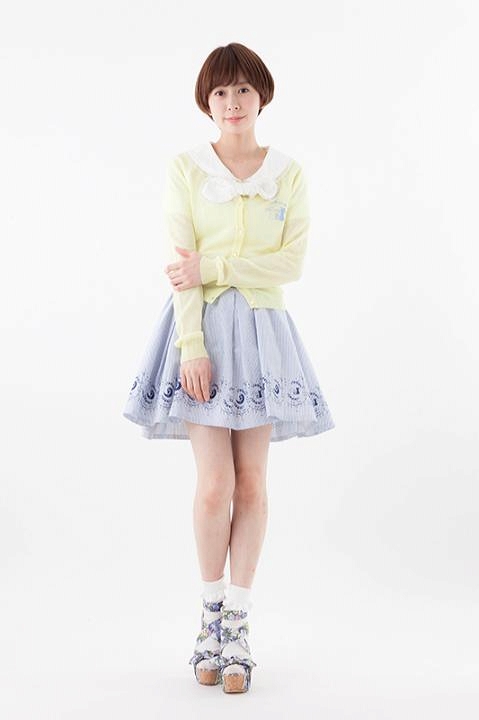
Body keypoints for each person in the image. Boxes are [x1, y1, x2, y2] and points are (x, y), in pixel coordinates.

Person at [122, 42, 335, 693]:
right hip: (205, 334)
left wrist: (214, 267)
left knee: (253, 483)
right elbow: (179, 263)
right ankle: (209, 615)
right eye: (220, 92)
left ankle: (238, 624)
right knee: (215, 485)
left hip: (265, 335)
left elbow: (289, 264)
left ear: (261, 96)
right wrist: (191, 345)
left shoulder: (287, 173)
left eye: (243, 90)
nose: (232, 102)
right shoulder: (186, 169)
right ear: (206, 101)